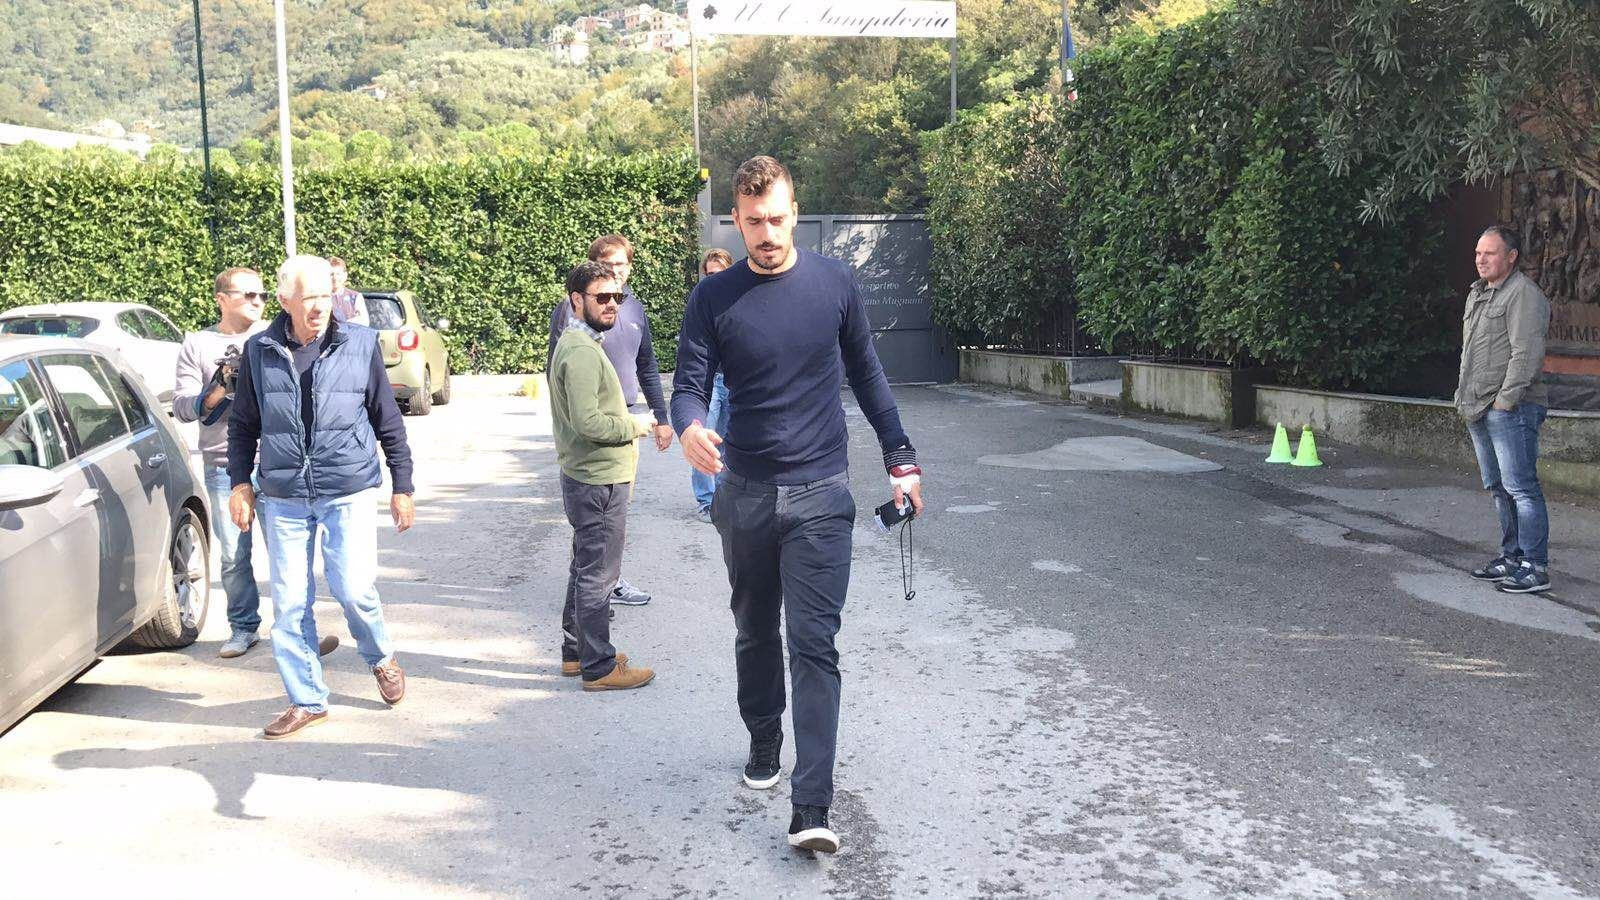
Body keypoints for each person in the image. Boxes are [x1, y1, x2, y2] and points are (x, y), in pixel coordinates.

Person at [671, 156, 926, 854]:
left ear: (794, 211)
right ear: (736, 219)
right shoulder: (714, 297)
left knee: (814, 644)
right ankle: (763, 737)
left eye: (777, 219)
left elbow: (868, 375)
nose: (767, 233)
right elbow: (689, 385)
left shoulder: (835, 284)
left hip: (821, 495)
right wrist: (688, 426)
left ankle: (811, 806)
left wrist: (901, 459)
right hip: (746, 495)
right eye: (753, 222)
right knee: (755, 631)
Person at [228, 255, 416, 739]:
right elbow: (243, 423)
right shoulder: (259, 350)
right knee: (290, 605)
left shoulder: (360, 343)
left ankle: (381, 656)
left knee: (353, 589)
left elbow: (387, 418)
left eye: (324, 296)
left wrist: (403, 485)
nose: (318, 307)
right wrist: (240, 483)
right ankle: (308, 699)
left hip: (347, 488)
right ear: (285, 299)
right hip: (284, 495)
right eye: (308, 297)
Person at [549, 261, 657, 691]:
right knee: (599, 574)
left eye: (618, 297)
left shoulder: (581, 342)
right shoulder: (579, 350)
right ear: (576, 300)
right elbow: (588, 422)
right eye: (602, 297)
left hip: (590, 476)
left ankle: (577, 653)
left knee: (585, 566)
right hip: (597, 479)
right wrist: (636, 425)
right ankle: (599, 667)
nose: (612, 304)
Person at [548, 234, 672, 607]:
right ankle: (595, 595)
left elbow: (647, 364)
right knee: (596, 529)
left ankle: (602, 586)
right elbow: (557, 368)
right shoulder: (575, 314)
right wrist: (565, 423)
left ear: (630, 268)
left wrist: (661, 417)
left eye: (621, 265)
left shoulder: (633, 310)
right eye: (608, 265)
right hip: (595, 426)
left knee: (609, 524)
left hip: (624, 418)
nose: (615, 272)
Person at [172, 267, 271, 658]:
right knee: (233, 555)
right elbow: (182, 407)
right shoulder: (197, 344)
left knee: (288, 551)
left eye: (262, 295)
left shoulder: (272, 336)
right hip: (223, 464)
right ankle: (244, 628)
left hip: (276, 460)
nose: (258, 302)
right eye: (249, 295)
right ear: (222, 298)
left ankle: (299, 629)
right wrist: (215, 390)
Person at [1457, 225, 1553, 594]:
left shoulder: (1523, 294)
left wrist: (1504, 402)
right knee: (1499, 488)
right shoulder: (1479, 293)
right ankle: (1511, 557)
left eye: (1490, 253)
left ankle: (1534, 566)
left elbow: (1525, 354)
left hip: (1512, 409)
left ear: (1511, 257)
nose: (1481, 259)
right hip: (1479, 407)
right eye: (1478, 253)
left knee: (1521, 488)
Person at [690, 248, 734, 523]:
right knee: (703, 440)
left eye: (718, 273)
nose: (713, 278)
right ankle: (706, 502)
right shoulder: (701, 301)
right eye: (709, 274)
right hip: (710, 383)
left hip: (734, 381)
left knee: (729, 442)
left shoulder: (740, 299)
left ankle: (723, 497)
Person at [328, 256, 369, 327]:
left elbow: (364, 322)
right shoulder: (320, 297)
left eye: (338, 274)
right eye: (331, 274)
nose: (335, 278)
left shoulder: (355, 296)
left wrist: (344, 323)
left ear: (345, 275)